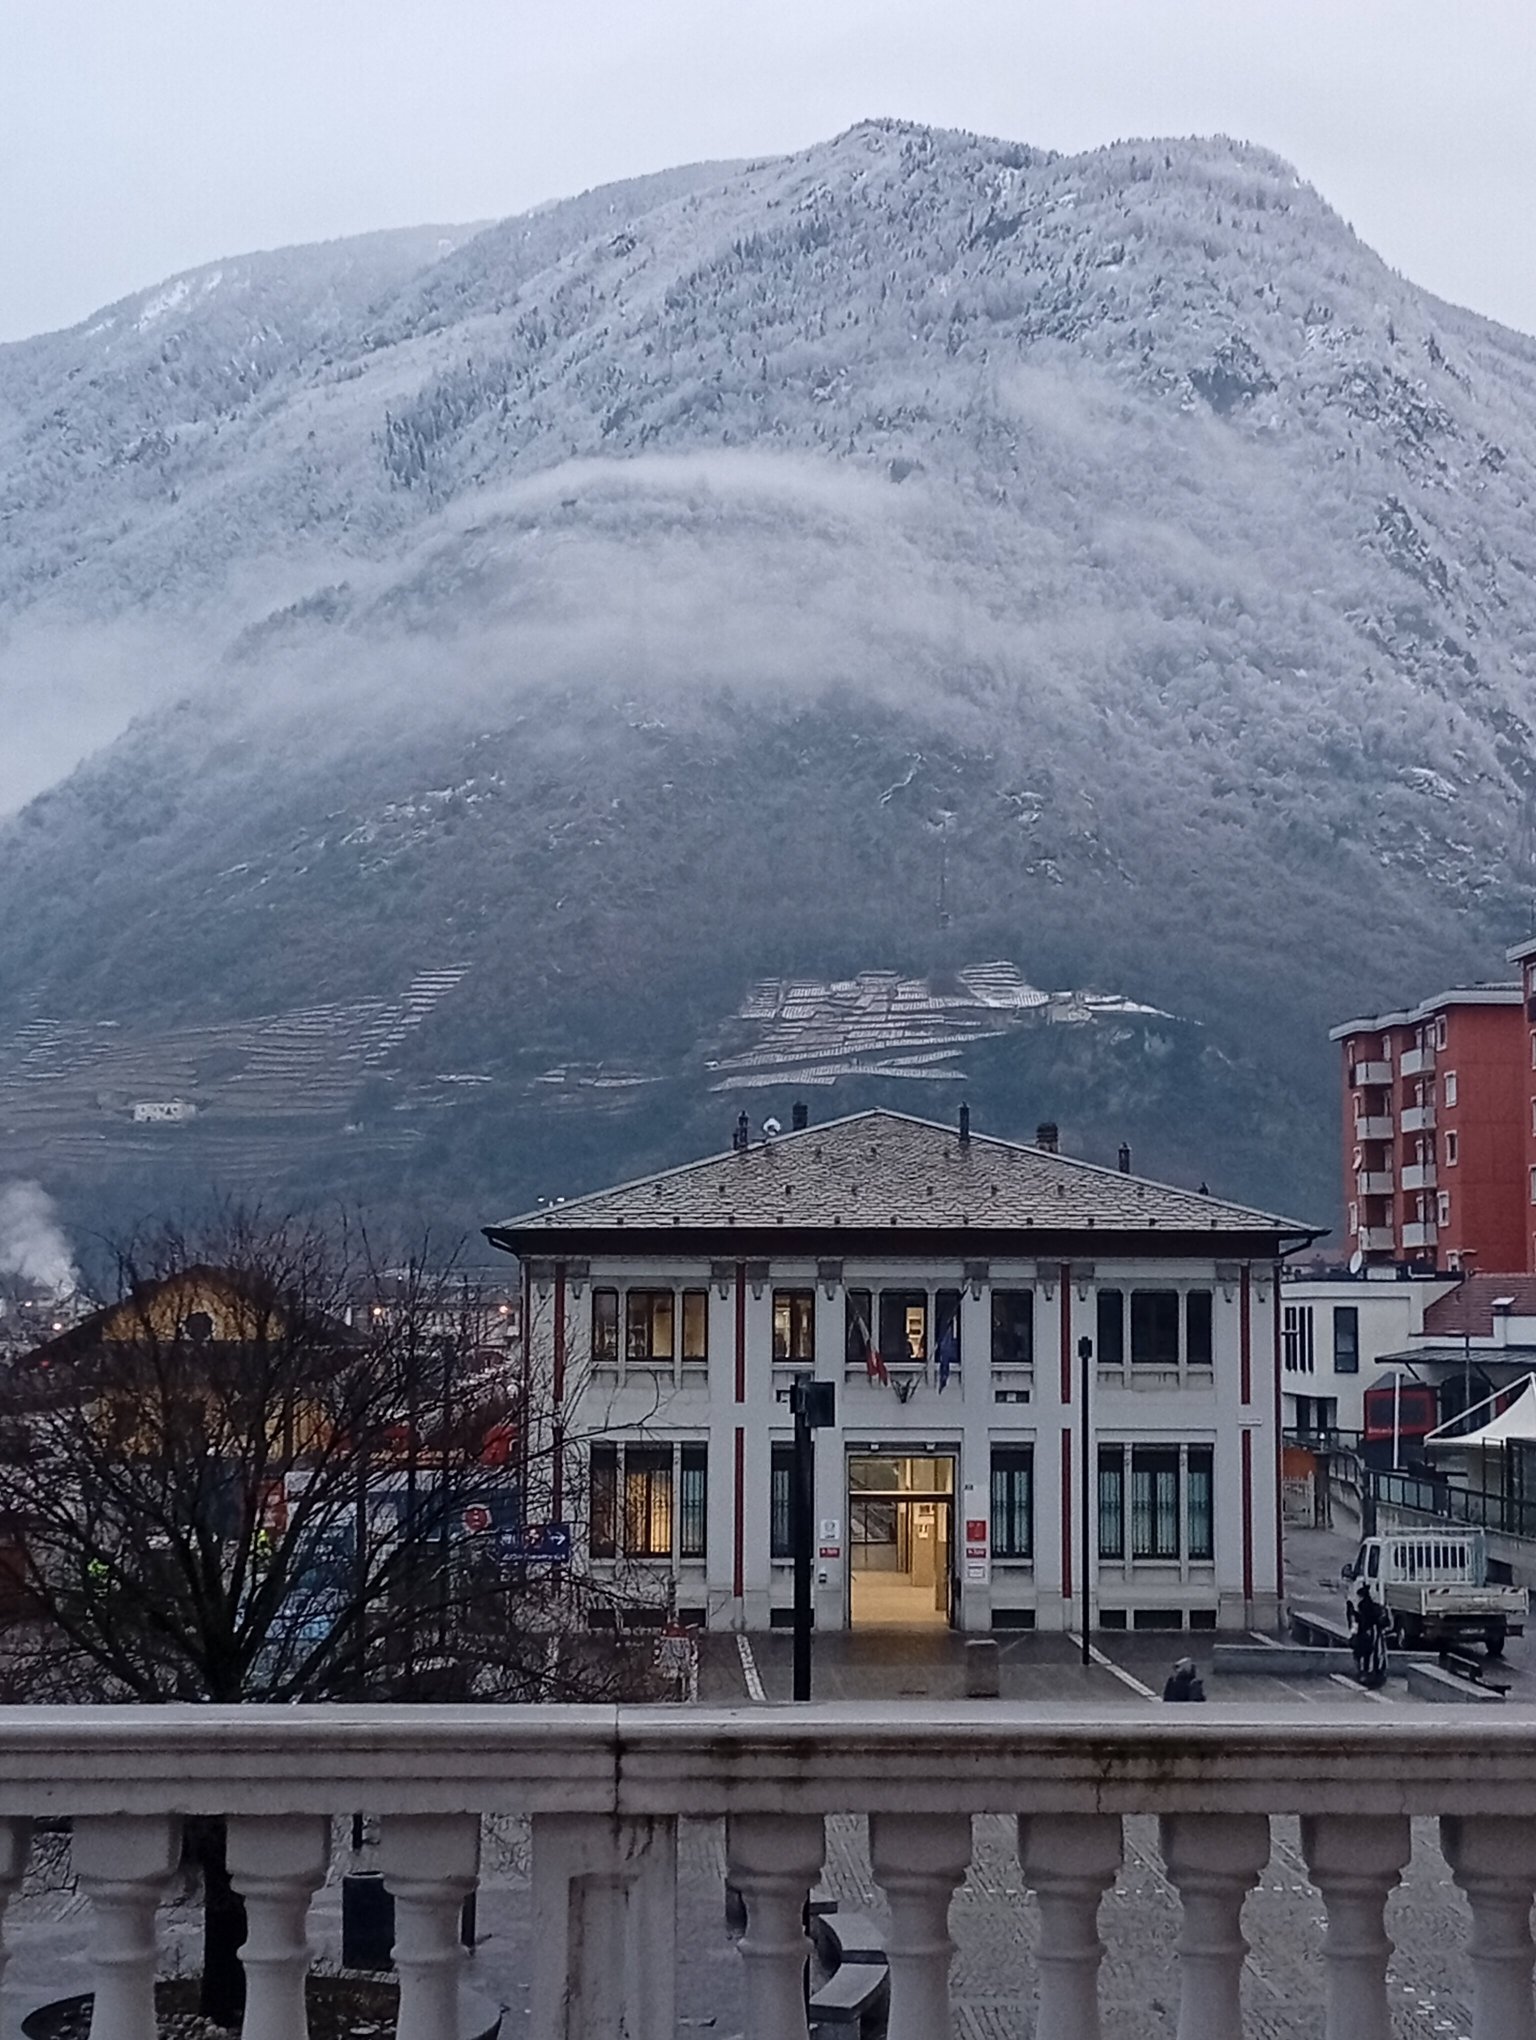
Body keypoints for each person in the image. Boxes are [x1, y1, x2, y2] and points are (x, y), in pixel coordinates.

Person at [1351, 1582, 1389, 1688]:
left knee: (1367, 1654)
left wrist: (1353, 1634)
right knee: (1374, 1654)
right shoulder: (1374, 1607)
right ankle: (1374, 1673)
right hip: (1373, 1634)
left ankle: (1367, 1673)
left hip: (1368, 1634)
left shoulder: (1362, 1606)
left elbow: (1357, 1621)